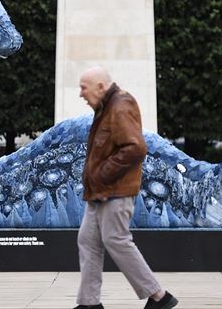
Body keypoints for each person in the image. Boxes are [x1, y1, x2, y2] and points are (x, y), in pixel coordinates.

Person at [74, 66, 178, 309]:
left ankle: (159, 296)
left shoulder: (120, 106)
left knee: (116, 240)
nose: (80, 94)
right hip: (100, 192)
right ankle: (89, 303)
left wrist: (101, 174)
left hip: (114, 191)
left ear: (100, 87)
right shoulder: (105, 108)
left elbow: (135, 148)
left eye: (83, 88)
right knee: (88, 240)